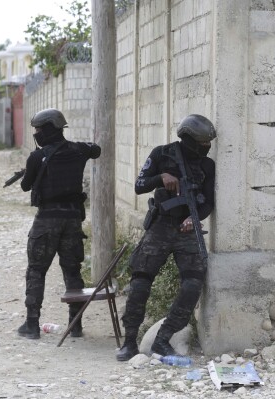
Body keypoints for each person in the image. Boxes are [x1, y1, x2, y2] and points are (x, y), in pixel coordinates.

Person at [116, 114, 216, 361]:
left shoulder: (207, 166)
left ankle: (163, 339)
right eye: (203, 143)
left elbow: (209, 203)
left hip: (187, 230)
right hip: (161, 226)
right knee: (140, 281)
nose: (207, 148)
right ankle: (129, 342)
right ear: (190, 140)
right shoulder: (162, 154)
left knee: (193, 283)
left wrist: (194, 218)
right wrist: (160, 178)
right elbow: (140, 185)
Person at [17, 108, 101, 339]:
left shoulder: (37, 157)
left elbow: (26, 186)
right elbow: (96, 149)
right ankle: (76, 325)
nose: (36, 133)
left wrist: (35, 168)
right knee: (72, 270)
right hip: (72, 220)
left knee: (36, 270)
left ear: (49, 129)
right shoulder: (78, 150)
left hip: (46, 221)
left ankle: (32, 325)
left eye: (39, 129)